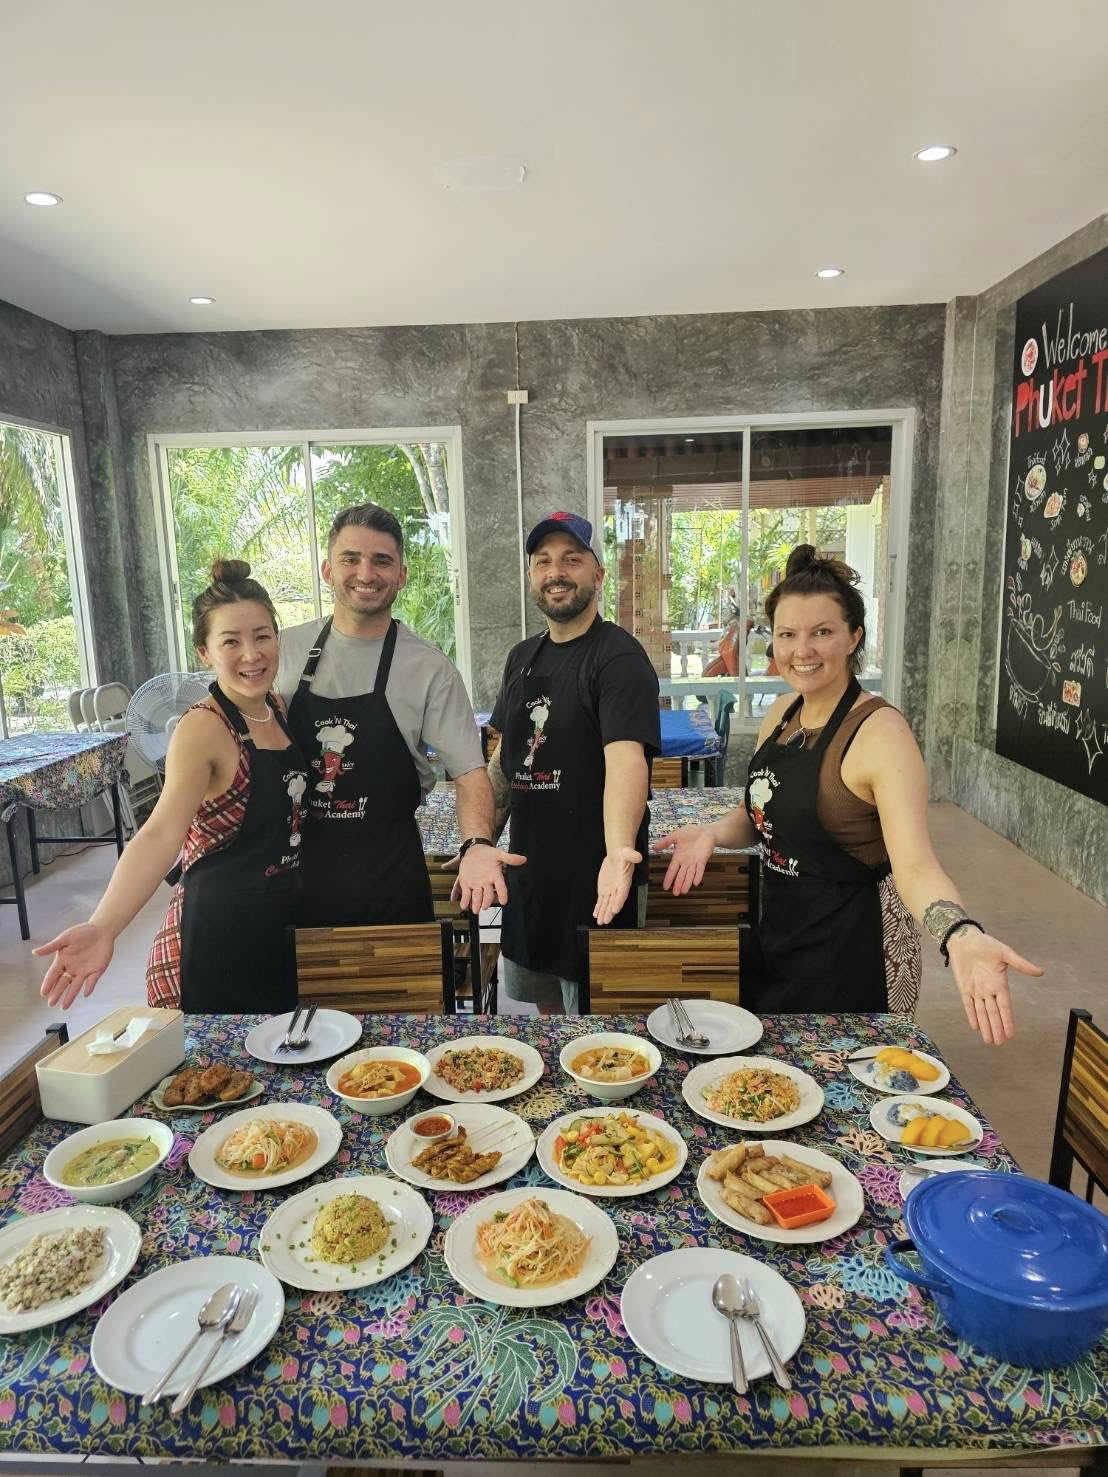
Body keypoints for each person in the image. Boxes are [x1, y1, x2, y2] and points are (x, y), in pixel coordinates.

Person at [655, 545, 1041, 1043]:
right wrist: (711, 834)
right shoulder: (782, 713)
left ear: (854, 636)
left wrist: (960, 934)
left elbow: (916, 867)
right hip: (781, 932)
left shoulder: (881, 734)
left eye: (822, 632)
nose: (802, 650)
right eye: (787, 634)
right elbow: (761, 815)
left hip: (855, 948)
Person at [37, 560, 308, 1013]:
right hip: (212, 939)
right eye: (231, 641)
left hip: (273, 925)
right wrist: (104, 926)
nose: (251, 654)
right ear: (205, 652)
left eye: (262, 636)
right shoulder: (203, 727)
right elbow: (161, 833)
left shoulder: (277, 708)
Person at [277, 502, 518, 927]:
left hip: (388, 883)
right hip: (290, 881)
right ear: (327, 570)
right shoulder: (279, 652)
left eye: (382, 561)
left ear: (402, 575)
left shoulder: (429, 669)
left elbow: (469, 773)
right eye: (350, 559)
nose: (366, 573)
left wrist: (477, 844)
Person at [487, 512, 661, 1014]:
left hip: (597, 875)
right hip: (531, 874)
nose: (555, 572)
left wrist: (619, 852)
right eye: (543, 562)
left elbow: (626, 761)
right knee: (546, 1015)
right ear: (532, 576)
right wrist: (481, 839)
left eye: (571, 559)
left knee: (598, 1023)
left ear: (597, 574)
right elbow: (506, 758)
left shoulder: (619, 658)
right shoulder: (522, 657)